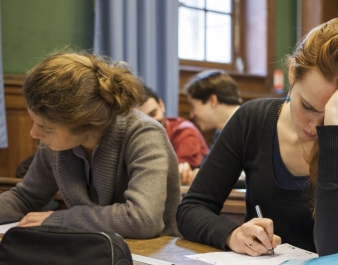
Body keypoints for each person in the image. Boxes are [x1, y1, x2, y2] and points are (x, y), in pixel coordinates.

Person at [177, 17, 338, 256]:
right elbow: (191, 209)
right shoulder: (251, 120)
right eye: (308, 106)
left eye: (331, 115)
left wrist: (335, 128)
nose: (314, 126)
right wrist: (231, 234)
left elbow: (337, 252)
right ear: (292, 74)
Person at [0, 52, 181, 238]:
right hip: (93, 249)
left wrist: (62, 219)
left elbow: (143, 220)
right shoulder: (56, 144)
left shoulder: (144, 134)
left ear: (84, 124)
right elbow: (24, 198)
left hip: (155, 256)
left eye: (45, 127)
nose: (34, 133)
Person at [181, 70, 243, 184]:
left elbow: (248, 178)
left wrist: (203, 178)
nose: (191, 114)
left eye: (193, 106)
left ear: (212, 100)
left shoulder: (250, 126)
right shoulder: (221, 132)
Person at [138, 86, 209, 185]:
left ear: (162, 105)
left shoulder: (185, 132)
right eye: (144, 119)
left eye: (153, 114)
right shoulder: (136, 138)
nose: (151, 122)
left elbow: (179, 177)